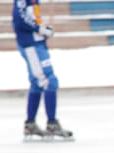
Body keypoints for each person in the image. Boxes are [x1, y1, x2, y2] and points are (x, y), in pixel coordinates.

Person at [12, 0, 73, 141]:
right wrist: (38, 29)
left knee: (36, 82)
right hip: (30, 44)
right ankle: (52, 124)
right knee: (49, 80)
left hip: (37, 43)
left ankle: (30, 123)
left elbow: (31, 17)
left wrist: (41, 28)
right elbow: (19, 19)